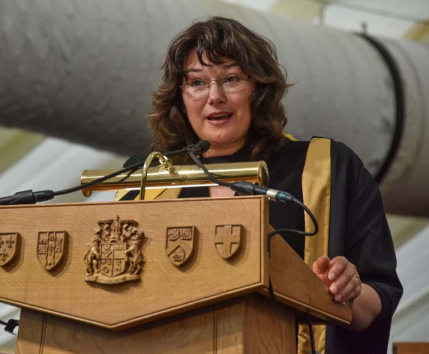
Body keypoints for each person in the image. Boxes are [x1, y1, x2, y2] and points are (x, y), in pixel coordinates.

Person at [121, 17, 402, 353]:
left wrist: (347, 292)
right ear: (179, 97)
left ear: (259, 88)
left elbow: (379, 297)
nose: (215, 96)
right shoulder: (149, 180)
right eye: (197, 83)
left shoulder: (328, 168)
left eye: (231, 79)